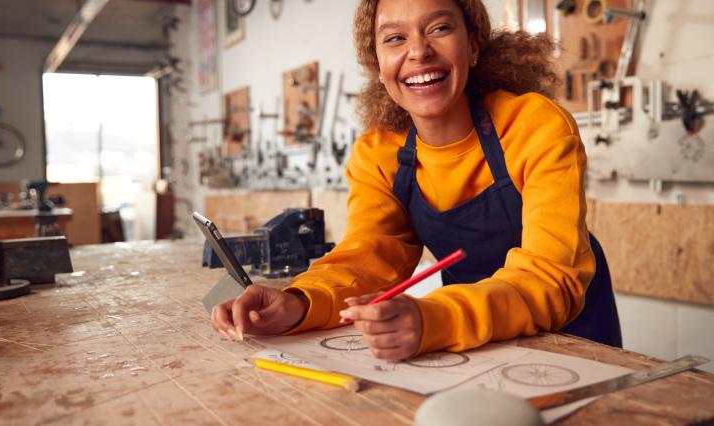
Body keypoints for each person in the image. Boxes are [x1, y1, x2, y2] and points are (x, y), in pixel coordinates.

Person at [211, 0, 622, 361]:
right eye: (394, 38)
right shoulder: (379, 153)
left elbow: (549, 279)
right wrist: (298, 303)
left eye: (440, 28)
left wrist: (436, 319)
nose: (419, 52)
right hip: (470, 340)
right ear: (377, 63)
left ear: (473, 45)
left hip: (569, 335)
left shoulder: (534, 125)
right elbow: (367, 260)